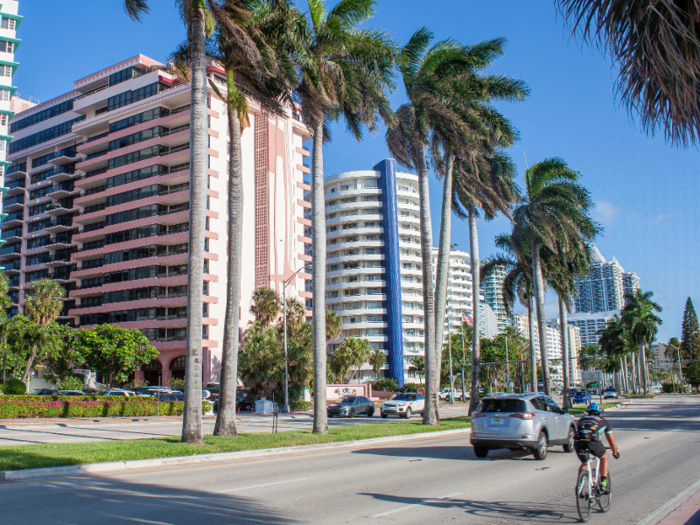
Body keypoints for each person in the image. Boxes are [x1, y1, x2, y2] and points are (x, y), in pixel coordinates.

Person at [574, 403, 619, 493]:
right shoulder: (603, 421)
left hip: (578, 443)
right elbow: (612, 441)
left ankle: (579, 486)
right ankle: (603, 484)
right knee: (604, 457)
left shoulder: (581, 419)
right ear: (599, 413)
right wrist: (615, 452)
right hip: (593, 443)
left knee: (584, 463)